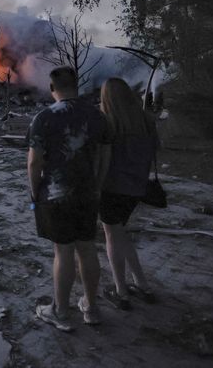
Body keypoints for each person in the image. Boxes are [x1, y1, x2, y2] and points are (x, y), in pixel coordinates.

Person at [28, 66, 110, 331]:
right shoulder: (97, 116)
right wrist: (97, 185)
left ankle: (61, 311)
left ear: (53, 89)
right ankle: (91, 307)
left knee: (63, 252)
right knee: (87, 249)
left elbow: (34, 162)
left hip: (56, 195)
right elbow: (104, 156)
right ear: (77, 85)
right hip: (87, 193)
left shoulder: (44, 117)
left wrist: (34, 191)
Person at [98, 78, 158, 310]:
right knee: (121, 234)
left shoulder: (108, 124)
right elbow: (153, 153)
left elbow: (102, 160)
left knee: (113, 237)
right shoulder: (145, 121)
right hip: (136, 189)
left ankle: (121, 291)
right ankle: (142, 284)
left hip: (112, 189)